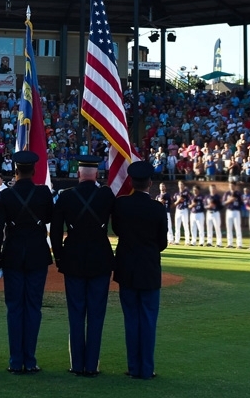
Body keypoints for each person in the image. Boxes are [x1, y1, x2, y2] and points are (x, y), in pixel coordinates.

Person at [0, 151, 53, 375]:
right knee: (33, 308)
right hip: (37, 256)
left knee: (14, 309)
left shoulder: (5, 196)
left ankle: (16, 360)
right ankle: (30, 359)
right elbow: (49, 218)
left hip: (13, 256)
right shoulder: (43, 193)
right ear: (33, 171)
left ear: (15, 171)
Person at [51, 155, 115, 377]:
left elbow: (56, 231)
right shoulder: (106, 195)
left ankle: (77, 364)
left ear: (78, 174)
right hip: (100, 259)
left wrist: (59, 257)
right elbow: (116, 225)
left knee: (76, 313)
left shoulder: (66, 197)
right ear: (96, 174)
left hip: (73, 259)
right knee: (97, 315)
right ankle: (92, 365)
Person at [112, 161, 167, 380]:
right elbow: (162, 242)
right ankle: (146, 368)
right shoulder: (157, 208)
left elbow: (116, 230)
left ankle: (133, 367)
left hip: (126, 267)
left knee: (131, 320)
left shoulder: (121, 205)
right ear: (150, 183)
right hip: (149, 269)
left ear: (132, 182)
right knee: (148, 320)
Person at [222, 181, 243, 248]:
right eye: (230, 185)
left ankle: (239, 244)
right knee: (229, 228)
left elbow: (242, 203)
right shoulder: (227, 193)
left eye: (233, 185)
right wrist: (229, 200)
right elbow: (223, 203)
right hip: (229, 211)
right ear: (229, 186)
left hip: (236, 211)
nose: (231, 187)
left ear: (235, 186)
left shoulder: (238, 193)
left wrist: (236, 199)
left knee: (237, 228)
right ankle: (230, 243)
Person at [172, 181, 190, 246]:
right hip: (178, 210)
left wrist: (183, 200)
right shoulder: (176, 194)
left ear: (184, 185)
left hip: (184, 209)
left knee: (185, 225)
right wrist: (178, 200)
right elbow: (173, 204)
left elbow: (190, 200)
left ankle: (187, 241)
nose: (180, 185)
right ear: (178, 185)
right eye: (179, 184)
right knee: (177, 226)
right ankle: (177, 240)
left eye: (182, 184)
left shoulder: (186, 193)